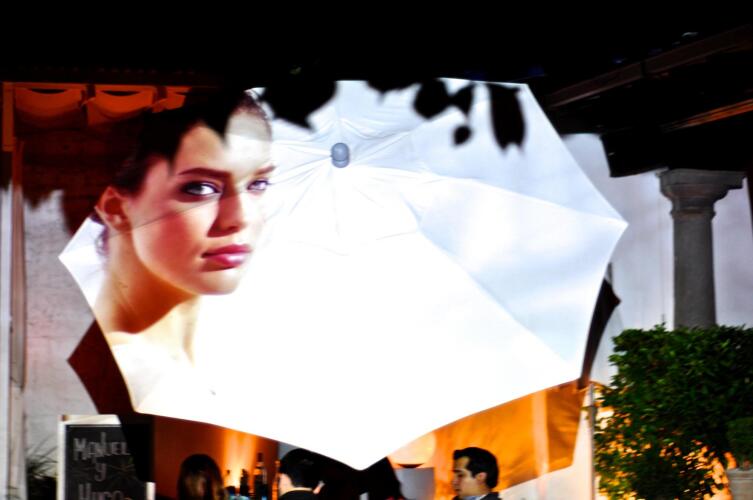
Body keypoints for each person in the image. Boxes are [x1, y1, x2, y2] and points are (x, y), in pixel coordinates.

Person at [91, 89, 273, 406]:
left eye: (257, 184)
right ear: (115, 207)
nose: (241, 217)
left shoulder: (222, 366)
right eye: (200, 188)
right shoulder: (135, 378)